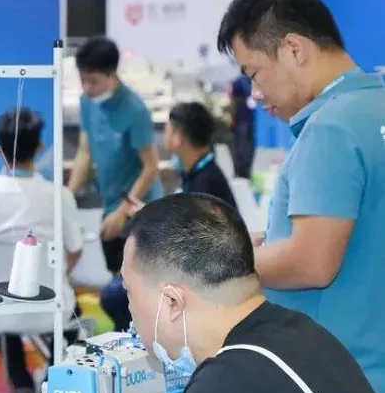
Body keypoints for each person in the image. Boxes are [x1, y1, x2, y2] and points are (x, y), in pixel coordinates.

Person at [0, 193, 385, 393]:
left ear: (171, 301)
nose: (130, 311)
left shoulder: (231, 382)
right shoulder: (290, 334)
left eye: (130, 293)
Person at [217, 0, 385, 393]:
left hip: (344, 382)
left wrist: (218, 261)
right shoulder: (374, 108)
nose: (256, 94)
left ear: (294, 48)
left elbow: (312, 261)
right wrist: (263, 242)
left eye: (254, 74)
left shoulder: (330, 128)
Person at [0, 107, 83, 393]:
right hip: (51, 308)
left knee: (2, 298)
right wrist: (56, 273)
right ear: (40, 147)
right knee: (72, 315)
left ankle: (20, 385)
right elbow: (74, 250)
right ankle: (52, 384)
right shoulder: (60, 196)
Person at [100, 102, 238, 332]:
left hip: (202, 280)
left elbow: (194, 240)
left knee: (115, 296)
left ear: (178, 136)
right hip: (192, 272)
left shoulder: (205, 183)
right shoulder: (198, 174)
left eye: (167, 129)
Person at [67, 38, 163, 275]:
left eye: (93, 81)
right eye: (82, 80)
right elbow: (85, 152)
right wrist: (66, 197)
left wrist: (123, 211)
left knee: (138, 281)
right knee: (116, 275)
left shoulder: (134, 109)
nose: (87, 87)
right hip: (111, 204)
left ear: (112, 74)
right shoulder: (87, 102)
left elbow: (151, 168)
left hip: (140, 207)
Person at [228, 74, 257, 178]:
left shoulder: (251, 81)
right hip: (241, 122)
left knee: (246, 149)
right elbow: (233, 101)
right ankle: (241, 174)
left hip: (247, 122)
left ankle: (243, 174)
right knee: (241, 150)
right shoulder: (240, 82)